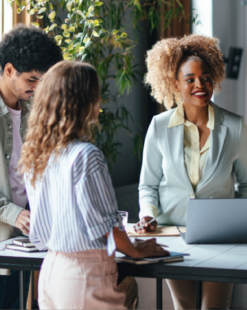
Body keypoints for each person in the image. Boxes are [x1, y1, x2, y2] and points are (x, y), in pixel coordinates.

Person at [20, 61, 168, 310]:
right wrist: (135, 250)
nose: (99, 104)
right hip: (83, 276)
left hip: (50, 272)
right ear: (83, 103)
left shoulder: (36, 155)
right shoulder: (86, 156)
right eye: (95, 96)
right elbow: (107, 227)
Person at [137, 34, 247, 310]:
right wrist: (148, 215)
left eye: (205, 77)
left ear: (214, 79)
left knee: (214, 308)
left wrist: (240, 226)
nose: (199, 85)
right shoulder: (158, 127)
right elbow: (148, 186)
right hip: (172, 235)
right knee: (185, 307)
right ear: (176, 84)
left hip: (221, 237)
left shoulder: (235, 126)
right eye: (189, 79)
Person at [0, 24, 63, 309]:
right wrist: (14, 214)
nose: (37, 88)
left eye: (43, 80)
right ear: (9, 70)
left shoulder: (33, 110)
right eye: (32, 79)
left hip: (25, 239)